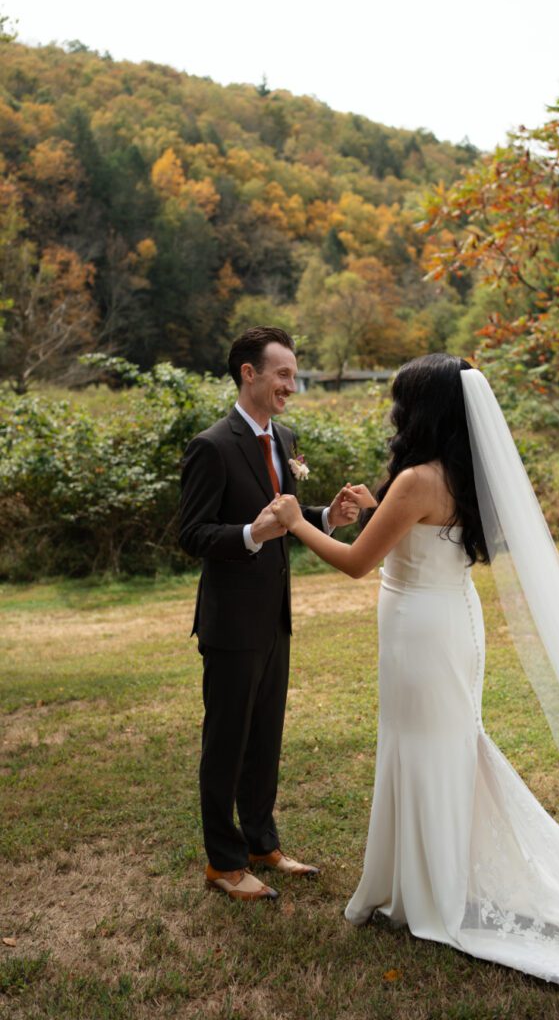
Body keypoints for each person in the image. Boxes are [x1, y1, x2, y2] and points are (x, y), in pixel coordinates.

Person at [270, 353, 559, 1019]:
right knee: (440, 747)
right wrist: (375, 509)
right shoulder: (458, 474)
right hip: (447, 623)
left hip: (420, 634)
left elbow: (353, 564)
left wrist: (296, 523)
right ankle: (424, 880)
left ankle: (428, 894)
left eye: (399, 401)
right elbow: (422, 536)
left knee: (427, 749)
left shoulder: (414, 479)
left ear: (422, 411)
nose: (392, 412)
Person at [179, 326, 358, 902]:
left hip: (276, 617)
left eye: (294, 373)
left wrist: (326, 514)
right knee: (226, 743)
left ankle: (262, 844)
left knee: (266, 740)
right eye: (283, 373)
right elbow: (193, 533)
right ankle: (223, 864)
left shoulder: (283, 435)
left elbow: (285, 511)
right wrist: (251, 533)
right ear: (249, 374)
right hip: (230, 623)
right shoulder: (212, 445)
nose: (292, 384)